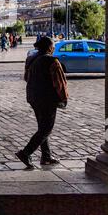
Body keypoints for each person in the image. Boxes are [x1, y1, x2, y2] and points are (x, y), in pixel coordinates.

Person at [16, 36, 68, 169]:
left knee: (42, 127)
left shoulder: (31, 59)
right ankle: (25, 153)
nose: (54, 47)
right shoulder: (53, 61)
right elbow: (60, 83)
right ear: (49, 47)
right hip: (47, 99)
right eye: (53, 45)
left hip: (33, 97)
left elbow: (26, 77)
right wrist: (64, 98)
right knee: (46, 129)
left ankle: (46, 156)